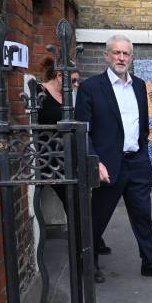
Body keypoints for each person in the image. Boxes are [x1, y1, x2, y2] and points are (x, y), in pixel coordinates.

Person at [75, 34, 152, 283]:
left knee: (143, 216)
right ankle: (88, 265)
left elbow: (143, 124)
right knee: (98, 218)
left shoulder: (140, 86)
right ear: (107, 55)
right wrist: (94, 160)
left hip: (137, 162)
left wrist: (142, 152)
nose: (121, 57)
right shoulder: (91, 87)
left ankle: (150, 263)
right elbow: (82, 129)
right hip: (107, 165)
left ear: (131, 58)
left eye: (126, 54)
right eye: (116, 52)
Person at [37, 56, 112, 255]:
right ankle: (85, 249)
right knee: (74, 204)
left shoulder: (69, 96)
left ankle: (92, 241)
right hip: (49, 159)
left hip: (70, 157)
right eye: (74, 81)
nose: (77, 85)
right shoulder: (39, 92)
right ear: (60, 76)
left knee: (81, 202)